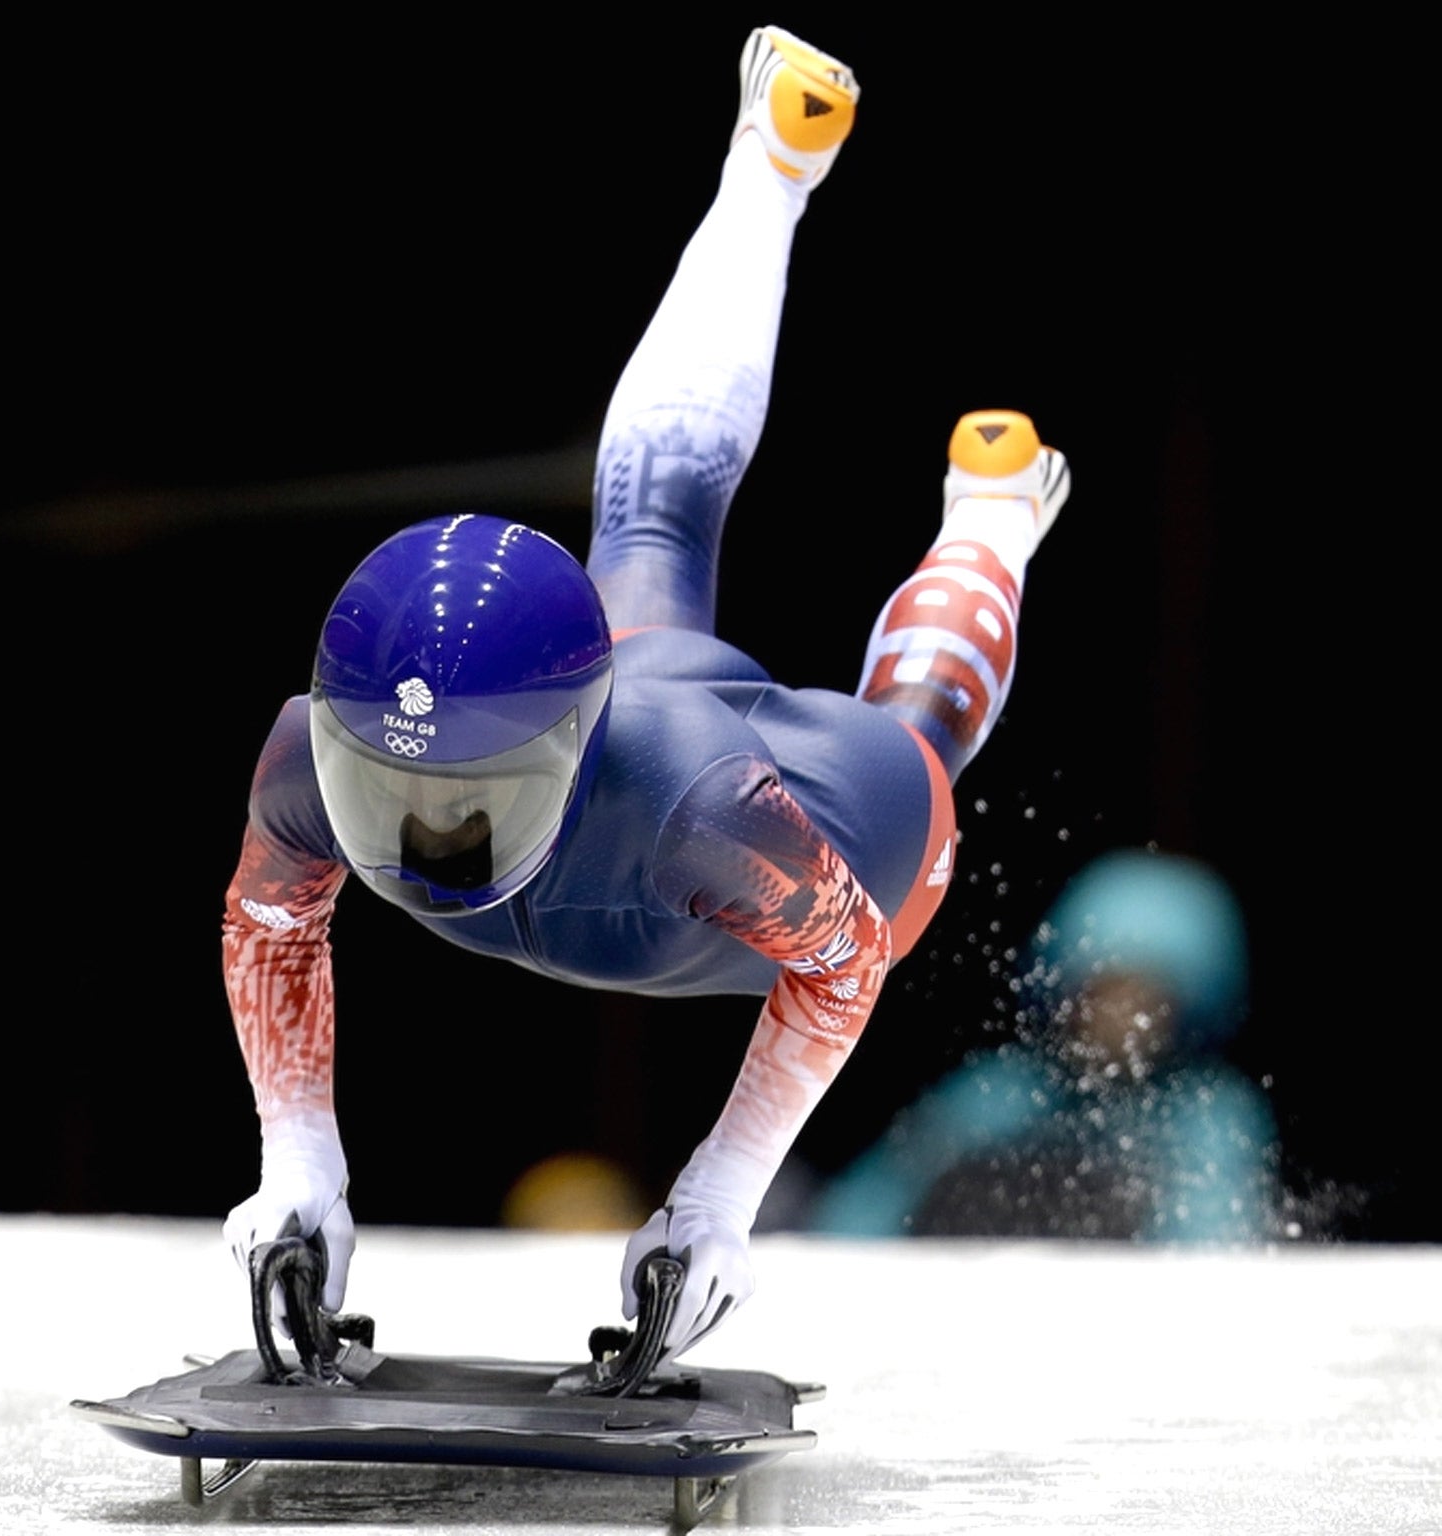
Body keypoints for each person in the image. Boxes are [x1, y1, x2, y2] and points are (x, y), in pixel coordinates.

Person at [219, 23, 1072, 1367]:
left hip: (789, 821)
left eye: (469, 795)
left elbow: (841, 959)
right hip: (642, 744)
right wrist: (297, 1167)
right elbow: (272, 917)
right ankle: (771, 157)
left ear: (578, 725)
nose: (432, 836)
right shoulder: (306, 759)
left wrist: (717, 1199)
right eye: (389, 786)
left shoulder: (712, 809)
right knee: (649, 515)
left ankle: (992, 519)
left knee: (916, 747)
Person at [807, 849, 1281, 1243]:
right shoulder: (1006, 1093)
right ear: (1066, 993)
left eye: (1143, 997)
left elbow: (1211, 1249)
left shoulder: (1207, 1115)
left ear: (1188, 1009)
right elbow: (874, 1205)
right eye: (1101, 991)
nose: (1119, 1018)